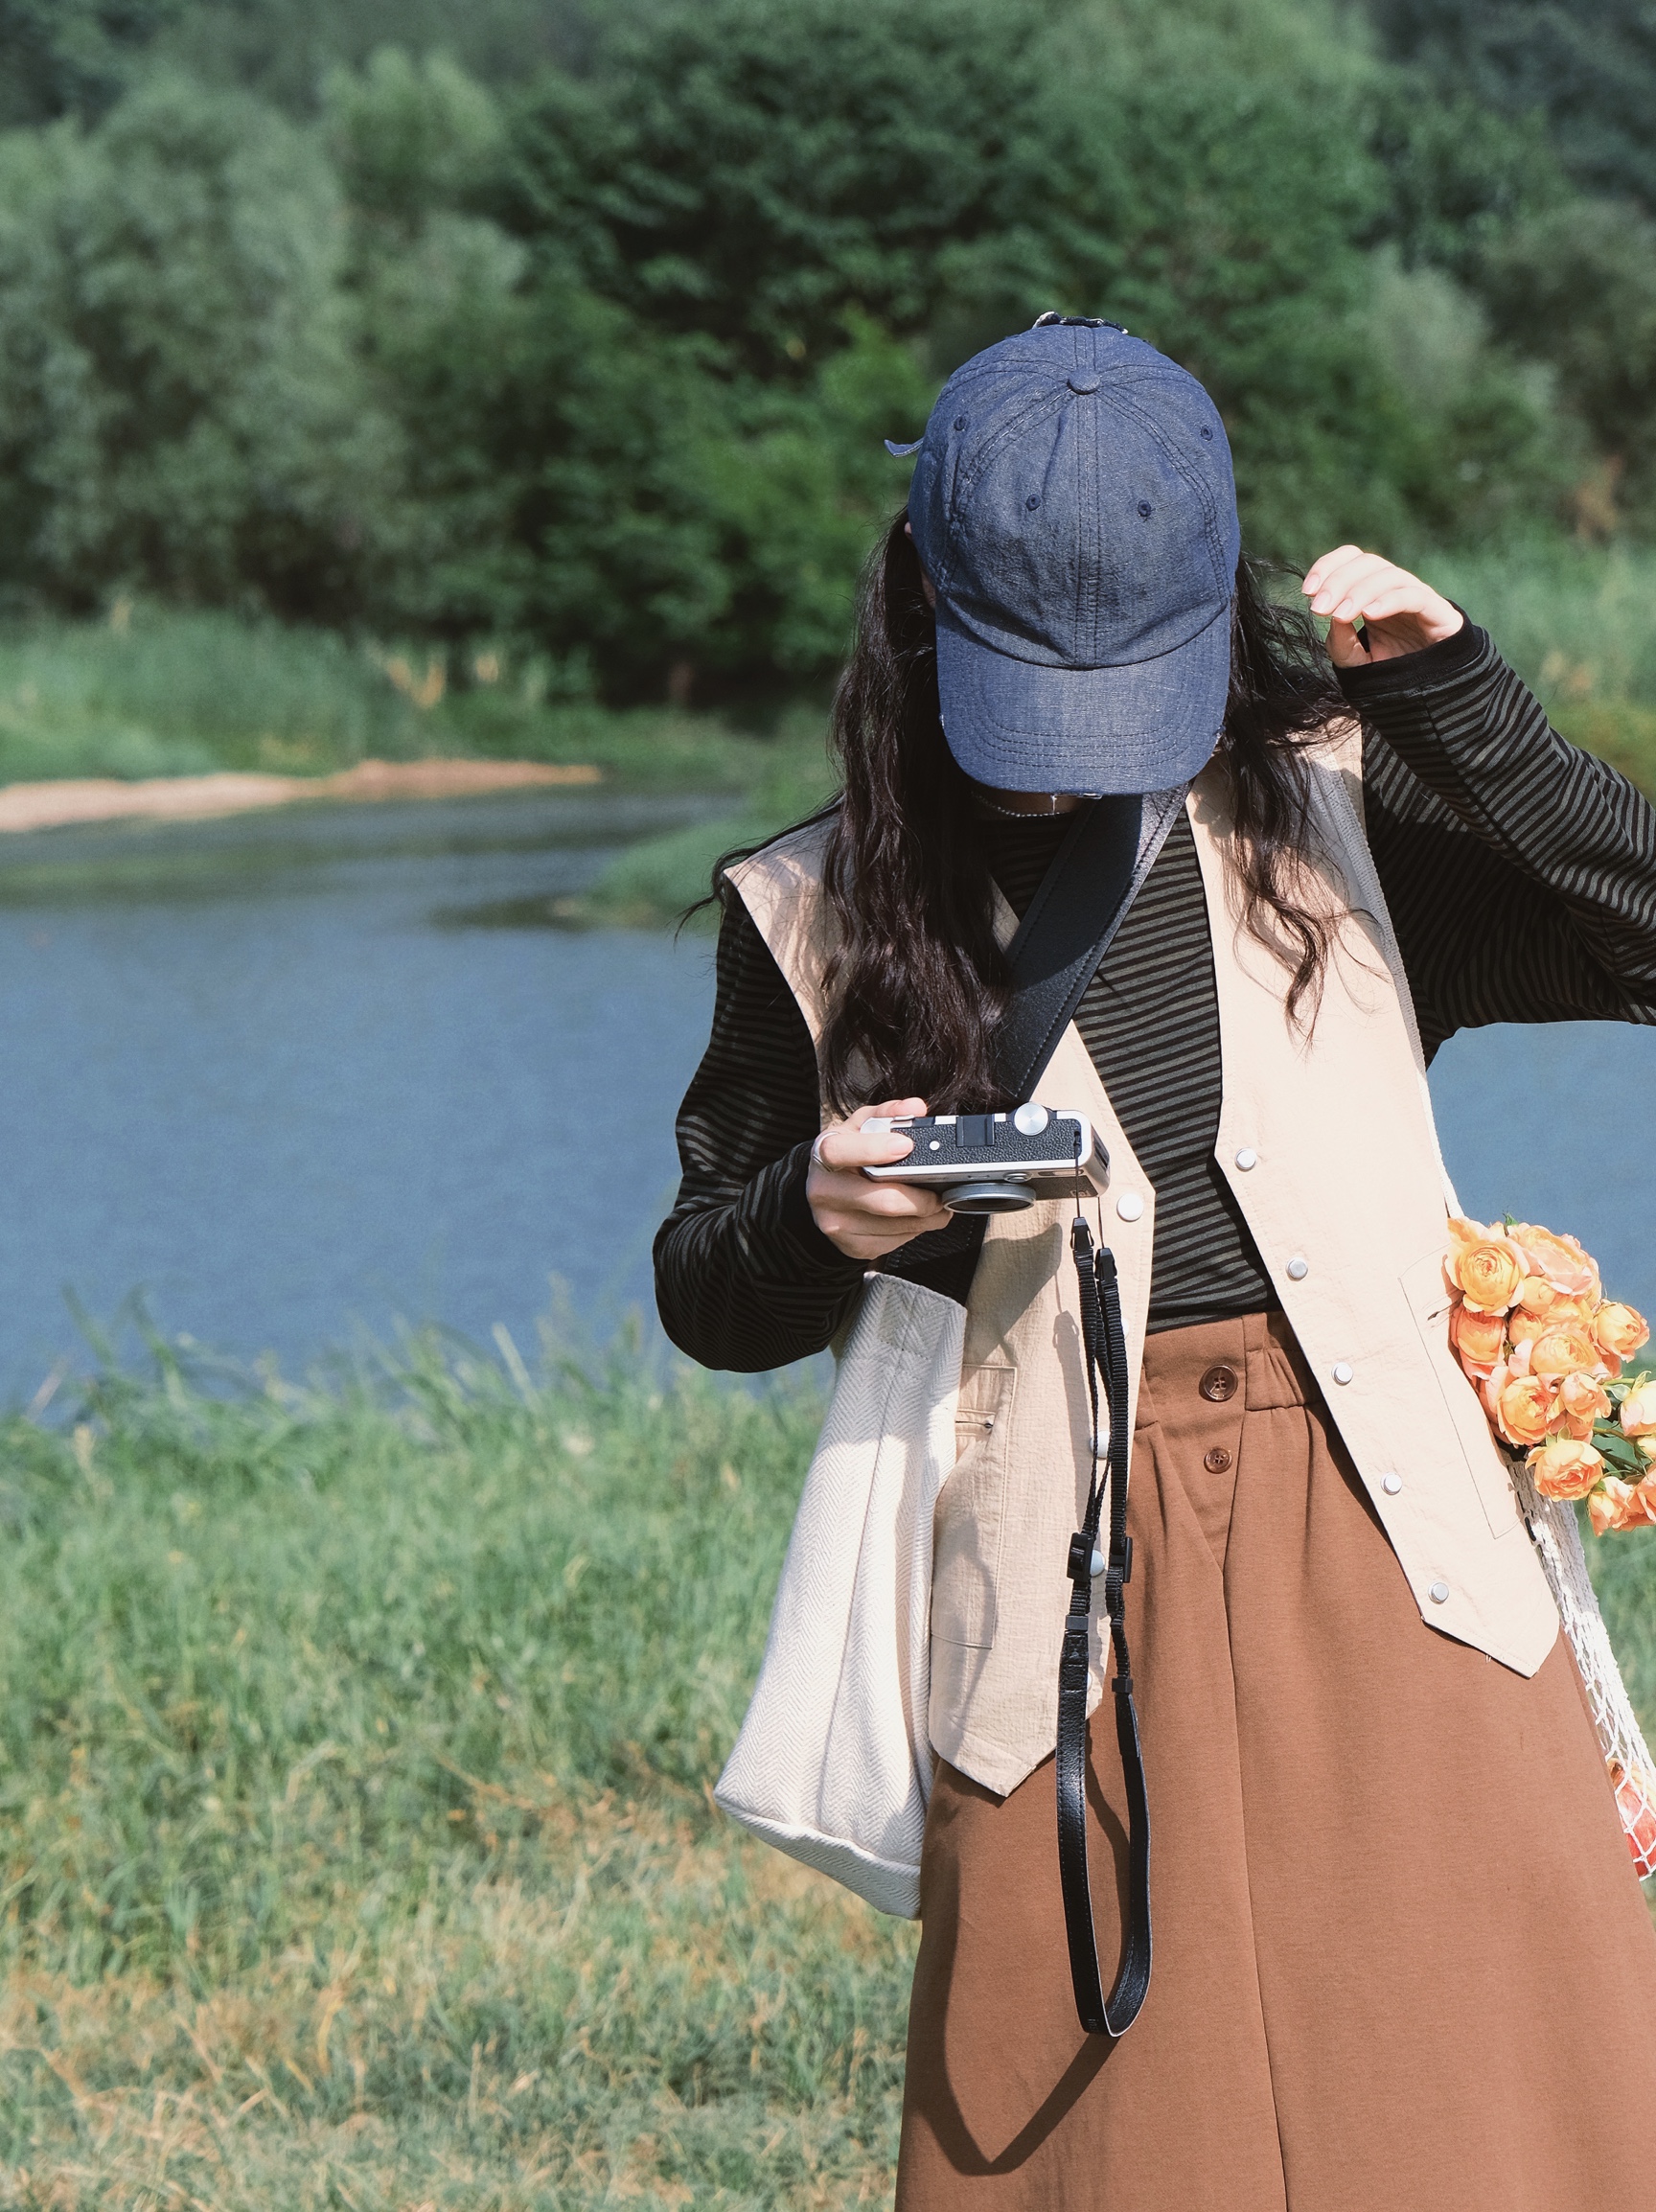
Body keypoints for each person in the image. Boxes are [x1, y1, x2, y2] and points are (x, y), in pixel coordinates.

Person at [653, 315, 1656, 2210]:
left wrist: (1469, 706)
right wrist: (814, 1218)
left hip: (1405, 1569)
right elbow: (706, 1286)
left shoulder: (1351, 809)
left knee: (1494, 2127)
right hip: (1057, 1592)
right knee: (1101, 2156)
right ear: (922, 613)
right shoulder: (813, 910)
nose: (1069, 770)